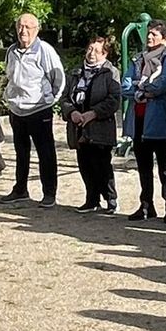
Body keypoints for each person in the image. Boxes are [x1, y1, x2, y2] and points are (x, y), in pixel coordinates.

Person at [2, 13, 65, 207]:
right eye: (21, 26)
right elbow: (9, 76)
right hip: (17, 109)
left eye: (29, 27)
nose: (24, 31)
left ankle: (49, 193)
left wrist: (49, 100)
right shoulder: (11, 51)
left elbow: (58, 78)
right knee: (21, 152)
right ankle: (20, 189)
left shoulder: (44, 50)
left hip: (39, 109)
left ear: (37, 30)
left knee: (45, 153)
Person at [123, 20, 166, 222]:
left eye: (155, 34)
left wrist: (143, 89)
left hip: (159, 120)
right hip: (138, 119)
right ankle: (146, 205)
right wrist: (143, 89)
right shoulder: (138, 59)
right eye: (148, 34)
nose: (149, 38)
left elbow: (164, 83)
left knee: (165, 166)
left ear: (164, 38)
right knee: (143, 165)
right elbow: (126, 85)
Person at [63, 36, 122, 214]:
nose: (92, 54)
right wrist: (72, 112)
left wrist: (93, 113)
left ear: (105, 53)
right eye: (90, 49)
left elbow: (113, 100)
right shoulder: (76, 73)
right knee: (85, 164)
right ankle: (92, 199)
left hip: (101, 127)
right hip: (78, 126)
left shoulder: (111, 72)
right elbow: (65, 97)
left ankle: (111, 199)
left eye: (97, 51)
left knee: (102, 164)